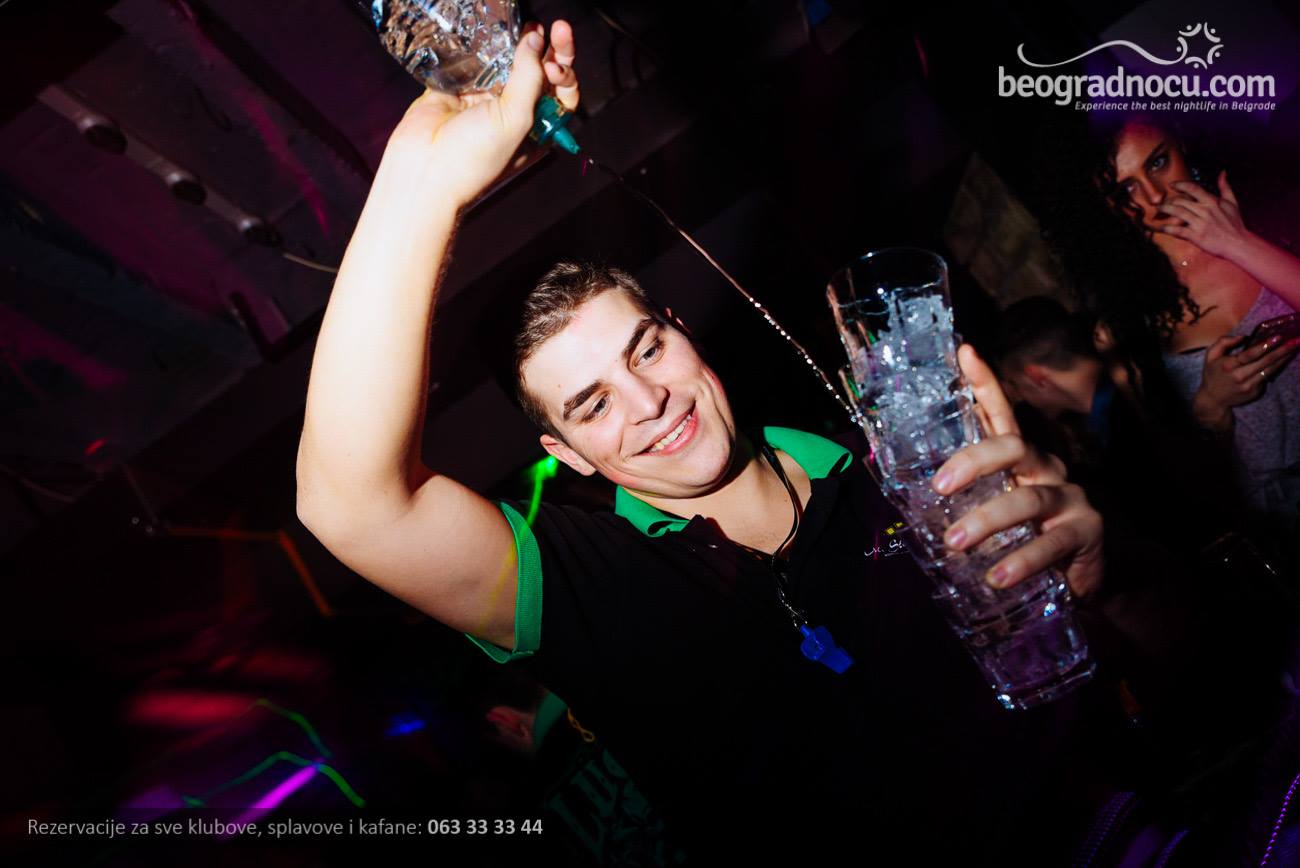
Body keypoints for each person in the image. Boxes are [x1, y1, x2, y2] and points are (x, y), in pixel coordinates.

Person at [295, 20, 1111, 862]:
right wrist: (425, 175)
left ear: (680, 330)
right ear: (565, 454)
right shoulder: (583, 585)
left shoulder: (889, 469)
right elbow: (351, 506)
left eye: (646, 350)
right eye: (593, 405)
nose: (649, 401)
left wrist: (1091, 586)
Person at [1035, 113, 1300, 559]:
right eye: (1126, 190)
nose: (1155, 196)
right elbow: (1189, 476)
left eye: (1158, 162)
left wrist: (1238, 244)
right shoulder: (1123, 323)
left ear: (1181, 143)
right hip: (1282, 522)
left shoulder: (1261, 206)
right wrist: (1211, 405)